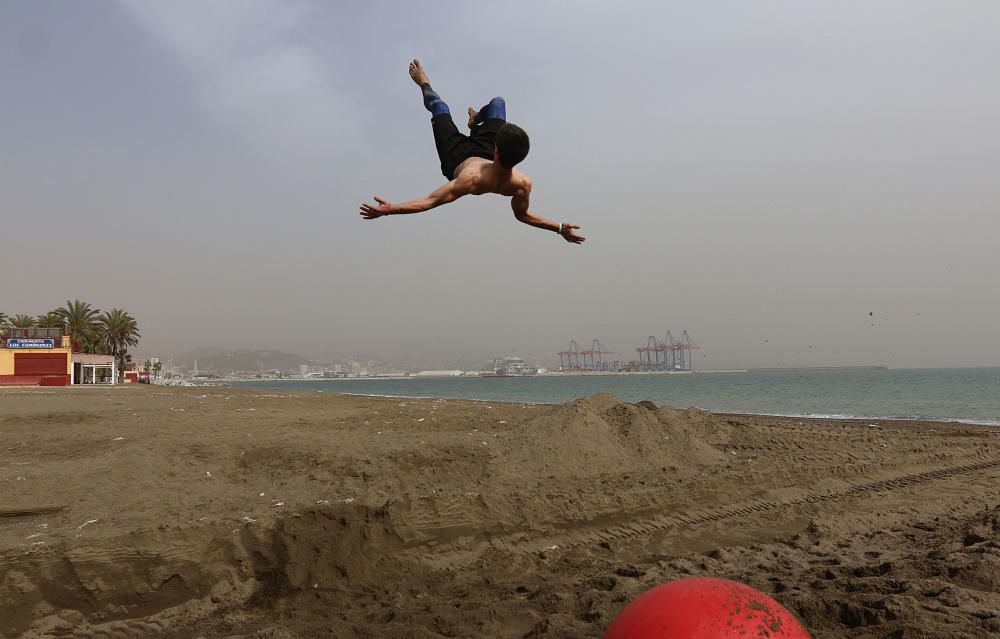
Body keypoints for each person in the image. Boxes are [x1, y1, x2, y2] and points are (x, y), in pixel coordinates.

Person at [359, 60, 585, 244]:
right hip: (484, 153)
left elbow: (429, 201)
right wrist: (558, 227)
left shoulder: (471, 180)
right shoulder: (523, 183)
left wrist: (391, 209)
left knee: (439, 107)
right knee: (498, 103)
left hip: (456, 157)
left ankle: (424, 83)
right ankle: (476, 118)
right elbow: (523, 215)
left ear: (498, 148)